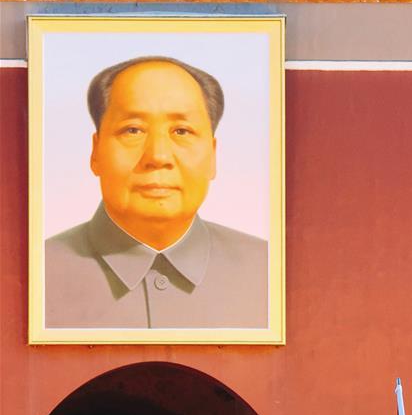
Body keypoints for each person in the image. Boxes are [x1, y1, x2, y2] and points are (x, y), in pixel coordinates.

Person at [45, 56, 268, 330]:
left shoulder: (270, 272)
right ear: (95, 152)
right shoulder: (35, 272)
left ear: (213, 155)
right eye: (133, 130)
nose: (158, 156)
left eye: (182, 131)